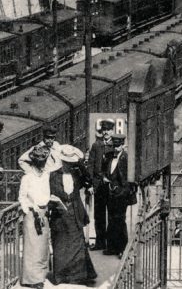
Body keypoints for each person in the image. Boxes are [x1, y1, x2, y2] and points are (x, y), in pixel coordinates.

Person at [48, 144, 97, 285]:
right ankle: (61, 276)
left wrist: (80, 165)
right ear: (62, 162)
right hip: (60, 214)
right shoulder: (53, 176)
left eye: (72, 164)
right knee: (61, 244)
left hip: (75, 212)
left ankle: (78, 276)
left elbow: (88, 179)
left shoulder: (77, 174)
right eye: (68, 163)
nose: (70, 166)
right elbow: (48, 193)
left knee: (77, 243)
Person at [18, 145, 52, 289]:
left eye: (43, 164)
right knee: (32, 247)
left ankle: (41, 275)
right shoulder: (27, 178)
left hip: (44, 213)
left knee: (42, 246)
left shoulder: (46, 176)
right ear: (34, 164)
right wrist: (31, 208)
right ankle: (32, 279)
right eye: (39, 165)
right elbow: (22, 198)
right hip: (32, 215)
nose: (42, 167)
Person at [87, 119, 114, 251]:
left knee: (112, 214)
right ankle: (100, 242)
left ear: (112, 131)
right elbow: (91, 165)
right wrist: (90, 184)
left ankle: (111, 243)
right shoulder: (96, 145)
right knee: (99, 215)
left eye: (108, 130)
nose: (105, 133)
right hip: (98, 185)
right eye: (103, 130)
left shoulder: (115, 145)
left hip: (111, 186)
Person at [104, 133, 131, 257]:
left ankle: (122, 249)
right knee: (111, 220)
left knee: (120, 221)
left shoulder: (126, 158)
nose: (115, 148)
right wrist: (106, 179)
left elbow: (127, 179)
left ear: (122, 146)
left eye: (118, 146)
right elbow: (106, 171)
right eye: (114, 146)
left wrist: (121, 192)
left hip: (121, 194)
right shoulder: (109, 157)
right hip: (111, 193)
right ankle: (111, 248)